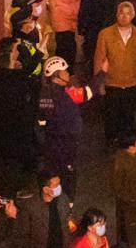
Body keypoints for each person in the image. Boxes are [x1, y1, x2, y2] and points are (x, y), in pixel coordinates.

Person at [94, 1, 136, 144]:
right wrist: (99, 84)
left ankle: (127, 143)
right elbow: (99, 59)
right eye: (121, 13)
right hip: (112, 83)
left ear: (133, 15)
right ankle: (111, 143)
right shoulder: (105, 34)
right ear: (116, 14)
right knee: (111, 117)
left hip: (133, 83)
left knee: (129, 116)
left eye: (128, 13)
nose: (124, 17)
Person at [0, 37, 38, 197]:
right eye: (17, 49)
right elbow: (26, 80)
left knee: (0, 154)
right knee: (12, 159)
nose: (18, 52)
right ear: (10, 53)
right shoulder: (11, 77)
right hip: (14, 124)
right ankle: (11, 190)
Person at [39, 56, 91, 203]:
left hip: (52, 142)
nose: (68, 73)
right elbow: (87, 93)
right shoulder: (65, 95)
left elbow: (42, 121)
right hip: (65, 143)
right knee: (67, 174)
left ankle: (55, 200)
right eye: (65, 71)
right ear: (56, 77)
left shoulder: (45, 94)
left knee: (55, 172)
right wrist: (102, 74)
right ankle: (67, 203)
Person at [78, 0, 122, 67]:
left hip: (114, 27)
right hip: (95, 28)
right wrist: (82, 27)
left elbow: (124, 5)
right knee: (94, 57)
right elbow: (84, 8)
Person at [15, 171, 73, 248]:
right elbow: (23, 234)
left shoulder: (63, 199)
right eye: (56, 186)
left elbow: (65, 224)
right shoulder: (31, 206)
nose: (59, 187)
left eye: (59, 184)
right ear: (45, 189)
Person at [46, 0, 85, 69]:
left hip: (72, 17)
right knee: (63, 44)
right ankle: (62, 69)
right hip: (60, 17)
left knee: (70, 43)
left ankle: (69, 69)